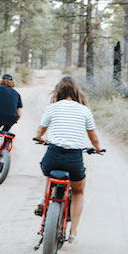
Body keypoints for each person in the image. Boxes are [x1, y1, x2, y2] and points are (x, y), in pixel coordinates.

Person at [33, 76, 102, 244]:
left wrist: (40, 138)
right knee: (78, 191)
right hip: (74, 159)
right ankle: (73, 232)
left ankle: (44, 199)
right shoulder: (84, 110)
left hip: (53, 155)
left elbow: (40, 131)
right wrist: (98, 148)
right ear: (77, 92)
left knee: (48, 172)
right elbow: (93, 137)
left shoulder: (52, 108)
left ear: (58, 91)